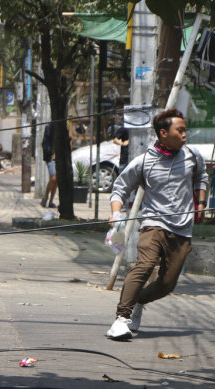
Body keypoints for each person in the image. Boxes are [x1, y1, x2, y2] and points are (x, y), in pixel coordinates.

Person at [106, 108, 208, 340]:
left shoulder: (192, 155)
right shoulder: (144, 162)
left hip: (182, 227)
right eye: (179, 130)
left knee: (167, 283)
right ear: (163, 133)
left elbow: (201, 176)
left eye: (185, 130)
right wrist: (115, 212)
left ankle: (139, 299)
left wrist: (200, 203)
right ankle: (121, 319)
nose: (185, 134)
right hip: (153, 223)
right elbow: (119, 188)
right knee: (144, 265)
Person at [41, 124, 57, 208]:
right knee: (53, 177)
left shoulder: (62, 128)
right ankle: (45, 196)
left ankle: (51, 202)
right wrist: (51, 153)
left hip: (60, 157)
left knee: (56, 180)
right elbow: (45, 143)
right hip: (50, 156)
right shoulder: (49, 127)